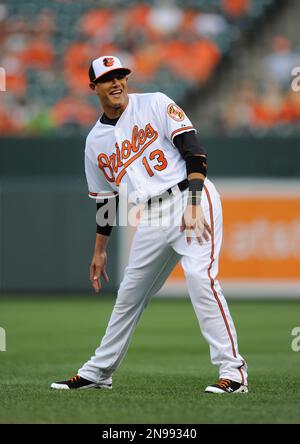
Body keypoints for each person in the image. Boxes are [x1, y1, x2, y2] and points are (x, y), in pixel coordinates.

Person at [51, 56, 248, 394]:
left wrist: (195, 201)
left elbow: (194, 151)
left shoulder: (155, 103)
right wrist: (99, 250)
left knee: (201, 279)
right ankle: (98, 372)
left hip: (189, 198)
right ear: (93, 87)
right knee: (129, 295)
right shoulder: (95, 142)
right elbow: (105, 200)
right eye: (107, 78)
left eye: (120, 76)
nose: (116, 83)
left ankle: (234, 373)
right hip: (151, 215)